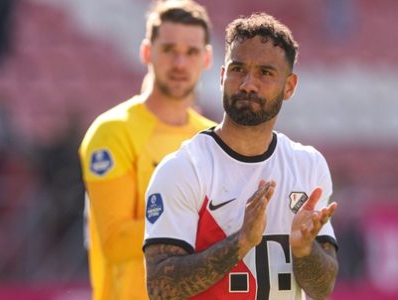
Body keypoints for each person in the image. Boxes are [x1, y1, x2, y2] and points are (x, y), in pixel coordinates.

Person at [144, 13, 339, 300]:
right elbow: (160, 288)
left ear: (290, 86)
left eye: (265, 73)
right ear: (222, 76)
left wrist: (304, 250)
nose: (248, 84)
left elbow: (322, 289)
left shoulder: (308, 165)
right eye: (238, 69)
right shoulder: (184, 168)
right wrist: (241, 242)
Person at [78, 1, 215, 299]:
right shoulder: (113, 130)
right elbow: (116, 241)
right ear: (146, 52)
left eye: (191, 52)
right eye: (168, 49)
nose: (180, 63)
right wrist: (205, 224)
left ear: (206, 58)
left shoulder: (211, 138)